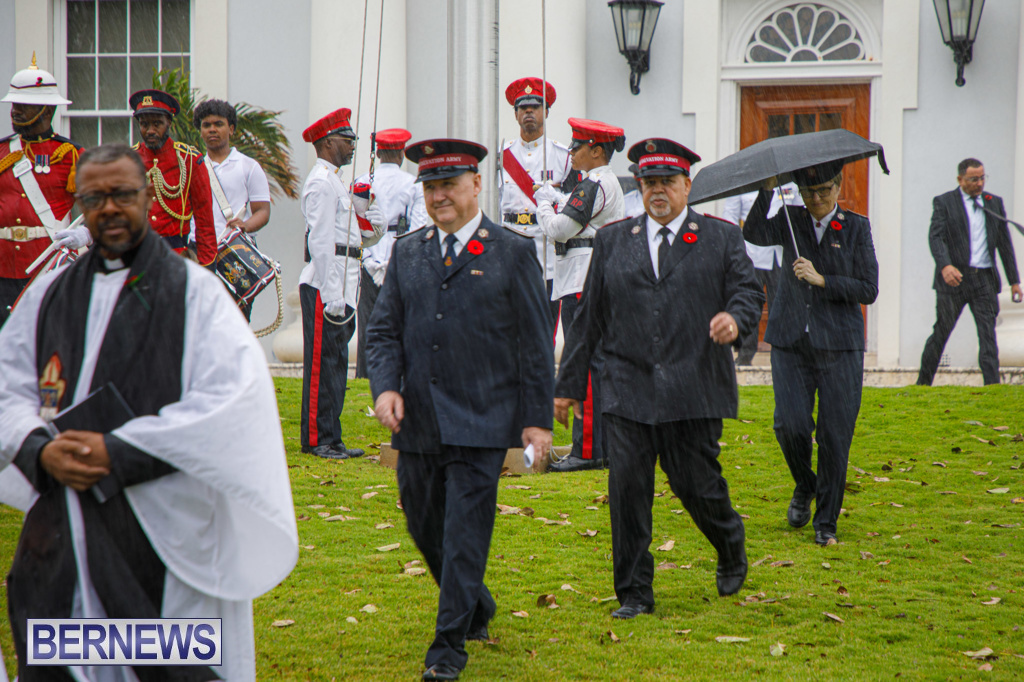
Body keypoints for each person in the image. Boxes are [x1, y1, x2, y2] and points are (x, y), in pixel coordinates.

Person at [0, 143, 297, 680]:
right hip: (65, 526)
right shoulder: (49, 294)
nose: (108, 208)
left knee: (164, 664)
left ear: (145, 196)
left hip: (165, 530)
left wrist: (116, 450)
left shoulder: (198, 297)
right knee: (65, 660)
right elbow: (6, 388)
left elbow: (232, 402)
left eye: (122, 194)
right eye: (94, 197)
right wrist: (39, 449)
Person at [366, 139, 554, 681]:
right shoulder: (408, 251)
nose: (439, 196)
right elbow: (382, 334)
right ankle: (477, 604)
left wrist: (536, 420)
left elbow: (535, 344)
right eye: (430, 186)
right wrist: (385, 389)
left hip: (483, 418)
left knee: (465, 532)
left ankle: (448, 648)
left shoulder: (512, 251)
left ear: (476, 185)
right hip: (418, 419)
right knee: (426, 528)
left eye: (449, 184)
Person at [555, 138, 762, 617]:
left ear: (688, 184)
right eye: (649, 183)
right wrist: (567, 388)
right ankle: (634, 593)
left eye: (668, 181)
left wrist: (735, 319)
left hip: (694, 388)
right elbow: (588, 320)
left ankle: (729, 542)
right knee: (627, 494)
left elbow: (748, 291)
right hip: (627, 390)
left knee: (697, 486)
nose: (658, 191)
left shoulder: (720, 237)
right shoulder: (613, 241)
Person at [743, 162, 879, 547]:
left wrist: (823, 280)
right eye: (808, 192)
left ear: (838, 186)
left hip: (840, 345)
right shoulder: (791, 220)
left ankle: (826, 524)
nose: (816, 199)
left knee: (834, 436)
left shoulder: (856, 227)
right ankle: (806, 485)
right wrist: (767, 189)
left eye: (823, 190)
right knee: (790, 425)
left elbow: (869, 288)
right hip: (790, 341)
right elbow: (753, 232)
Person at [535, 117, 626, 472]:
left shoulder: (593, 182)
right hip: (590, 274)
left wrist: (543, 203)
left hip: (581, 278)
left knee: (584, 364)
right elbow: (579, 212)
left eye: (578, 146)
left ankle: (587, 450)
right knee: (596, 364)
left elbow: (560, 229)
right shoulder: (601, 183)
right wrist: (557, 196)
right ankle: (597, 446)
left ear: (597, 151)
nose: (571, 152)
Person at [299, 107, 381, 460]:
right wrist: (332, 293)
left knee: (335, 362)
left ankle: (333, 437)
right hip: (324, 285)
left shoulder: (336, 183)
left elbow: (368, 237)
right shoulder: (320, 182)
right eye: (347, 141)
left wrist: (367, 208)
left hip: (344, 281)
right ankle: (317, 439)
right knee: (320, 364)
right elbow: (319, 243)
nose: (352, 148)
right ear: (328, 142)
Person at [917, 158, 1022, 386]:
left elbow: (1004, 244)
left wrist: (1014, 281)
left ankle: (992, 386)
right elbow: (936, 238)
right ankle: (922, 384)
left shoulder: (993, 203)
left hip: (984, 279)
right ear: (960, 179)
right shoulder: (945, 202)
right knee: (941, 332)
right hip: (954, 280)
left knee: (987, 335)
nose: (979, 183)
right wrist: (945, 265)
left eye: (983, 178)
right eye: (974, 179)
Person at [0, 55, 82, 326]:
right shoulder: (2, 151)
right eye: (14, 104)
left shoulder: (71, 155)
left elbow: (98, 210)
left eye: (23, 105)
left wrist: (84, 235)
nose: (14, 111)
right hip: (2, 266)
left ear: (46, 111)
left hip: (48, 264)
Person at [498, 77, 573, 330]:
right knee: (508, 331)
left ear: (547, 111)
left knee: (543, 332)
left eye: (535, 106)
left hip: (547, 254)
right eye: (522, 107)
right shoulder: (501, 157)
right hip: (509, 250)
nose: (528, 111)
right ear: (516, 114)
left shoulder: (563, 157)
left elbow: (572, 206)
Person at [354, 127, 427, 380]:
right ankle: (400, 377)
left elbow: (356, 226)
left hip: (367, 255)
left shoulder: (362, 181)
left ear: (378, 152)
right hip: (400, 257)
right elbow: (417, 227)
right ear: (402, 153)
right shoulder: (412, 184)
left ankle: (365, 376)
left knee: (368, 324)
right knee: (401, 322)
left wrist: (371, 260)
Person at [192, 97, 273, 320]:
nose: (212, 130)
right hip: (199, 253)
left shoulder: (249, 166)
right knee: (202, 321)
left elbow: (263, 211)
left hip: (235, 252)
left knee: (235, 321)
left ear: (231, 128)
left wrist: (245, 226)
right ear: (200, 131)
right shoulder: (192, 166)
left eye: (218, 124)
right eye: (206, 125)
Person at [722, 184, 802, 365]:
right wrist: (735, 249)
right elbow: (730, 218)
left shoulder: (790, 185)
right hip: (751, 255)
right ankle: (744, 355)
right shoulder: (744, 185)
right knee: (750, 306)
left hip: (779, 255)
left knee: (780, 307)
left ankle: (781, 354)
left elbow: (799, 213)